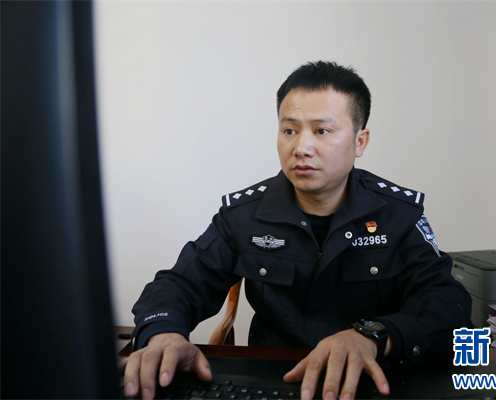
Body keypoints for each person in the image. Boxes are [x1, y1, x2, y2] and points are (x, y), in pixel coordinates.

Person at [123, 61, 472, 400]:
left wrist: (373, 336)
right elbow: (179, 284)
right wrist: (163, 333)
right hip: (277, 379)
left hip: (372, 378)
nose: (301, 148)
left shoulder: (397, 214)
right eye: (289, 130)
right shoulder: (245, 215)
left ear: (360, 141)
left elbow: (447, 303)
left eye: (322, 131)